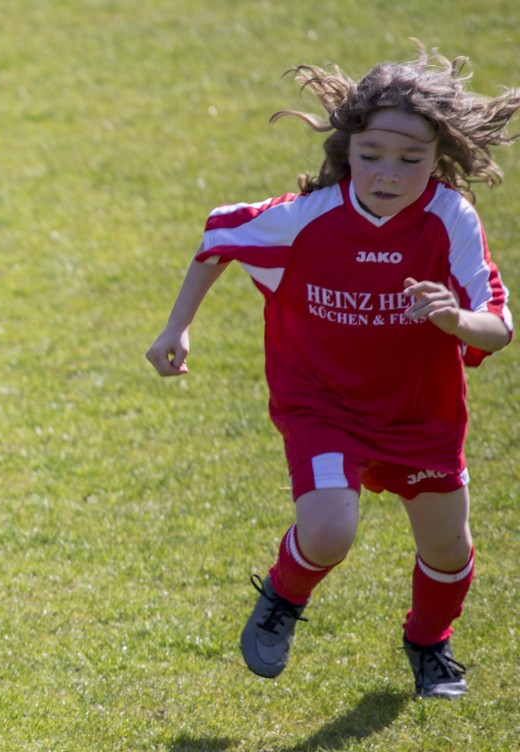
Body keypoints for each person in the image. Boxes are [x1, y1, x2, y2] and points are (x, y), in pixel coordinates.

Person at [146, 45, 518, 699]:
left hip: (419, 413)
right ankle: (283, 597)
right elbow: (218, 238)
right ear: (348, 149)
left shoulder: (450, 218)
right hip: (323, 406)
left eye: (410, 159)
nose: (388, 173)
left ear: (439, 157)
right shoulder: (308, 217)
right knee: (328, 531)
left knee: (448, 551)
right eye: (371, 154)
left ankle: (429, 644)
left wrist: (455, 319)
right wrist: (176, 327)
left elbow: (499, 325)